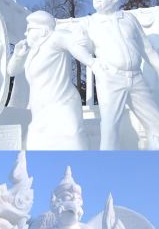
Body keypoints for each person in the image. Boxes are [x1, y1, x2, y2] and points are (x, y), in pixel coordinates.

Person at [79, 0, 159, 150]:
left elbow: (146, 48)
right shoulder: (89, 23)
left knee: (156, 122)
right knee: (109, 126)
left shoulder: (129, 19)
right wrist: (92, 63)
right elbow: (77, 47)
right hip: (111, 79)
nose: (96, 0)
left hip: (136, 78)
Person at [8, 11, 97, 150]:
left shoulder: (55, 37)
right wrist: (18, 55)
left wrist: (92, 63)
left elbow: (75, 46)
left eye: (29, 30)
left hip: (63, 104)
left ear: (43, 31)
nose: (26, 34)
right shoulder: (32, 51)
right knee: (39, 144)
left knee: (73, 141)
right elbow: (12, 71)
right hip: (40, 110)